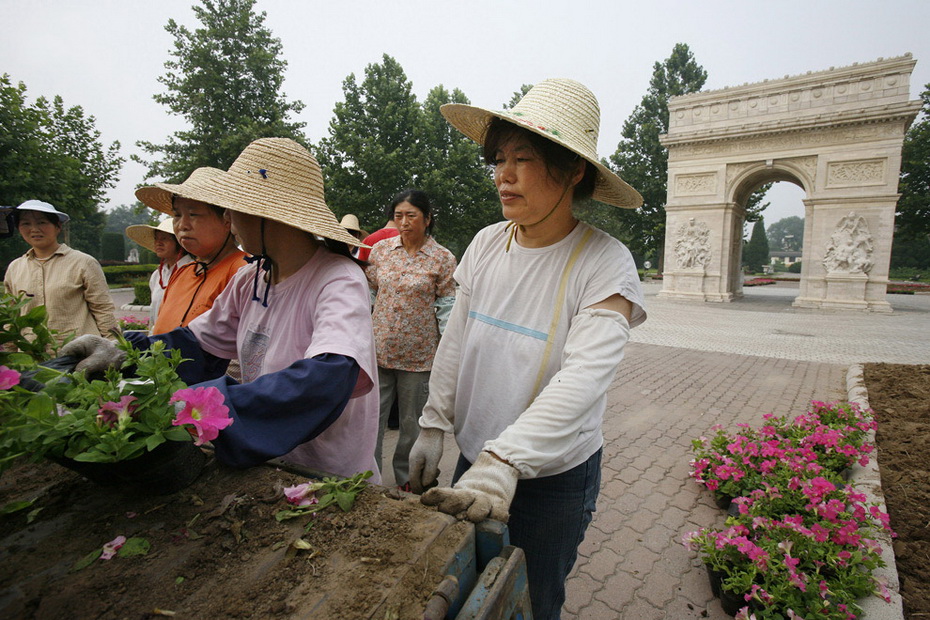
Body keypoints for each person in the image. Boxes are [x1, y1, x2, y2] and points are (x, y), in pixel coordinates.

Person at [406, 79, 647, 619]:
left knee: (532, 602)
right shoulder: (489, 241)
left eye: (524, 159)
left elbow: (586, 378)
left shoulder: (604, 263)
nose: (503, 174)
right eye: (498, 159)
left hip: (550, 479)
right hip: (477, 462)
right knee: (470, 589)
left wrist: (506, 460)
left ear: (574, 169)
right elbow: (458, 340)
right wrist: (432, 424)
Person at [61, 138, 381, 483]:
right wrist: (125, 353)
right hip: (272, 468)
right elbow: (196, 346)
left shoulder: (338, 279)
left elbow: (330, 375)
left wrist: (214, 408)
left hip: (330, 475)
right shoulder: (251, 279)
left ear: (266, 211)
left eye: (233, 206)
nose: (228, 216)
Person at [365, 189, 456, 489]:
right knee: (373, 420)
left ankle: (407, 479)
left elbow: (446, 305)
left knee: (411, 424)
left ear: (427, 219)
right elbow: (370, 293)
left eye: (411, 215)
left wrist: (449, 349)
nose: (404, 222)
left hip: (419, 356)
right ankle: (370, 477)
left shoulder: (442, 258)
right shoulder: (381, 251)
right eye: (399, 215)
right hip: (378, 350)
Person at [136, 167, 248, 335]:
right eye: (177, 215)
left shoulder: (244, 271)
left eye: (193, 214)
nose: (182, 225)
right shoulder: (182, 272)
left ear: (227, 220)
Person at [4, 200, 118, 346]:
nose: (34, 229)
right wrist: (10, 356)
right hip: (32, 356)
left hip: (79, 355)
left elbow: (103, 310)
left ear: (57, 226)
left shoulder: (83, 263)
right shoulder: (15, 268)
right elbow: (11, 316)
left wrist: (113, 348)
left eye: (42, 222)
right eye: (26, 224)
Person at [125, 218, 194, 327]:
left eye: (165, 239)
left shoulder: (194, 271)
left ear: (179, 241)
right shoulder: (157, 275)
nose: (158, 243)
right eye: (156, 239)